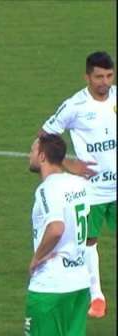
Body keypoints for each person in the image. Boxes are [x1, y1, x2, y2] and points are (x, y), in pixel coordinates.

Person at [24, 134, 92, 336]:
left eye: (32, 150)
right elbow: (86, 230)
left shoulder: (46, 190)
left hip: (50, 282)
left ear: (41, 157)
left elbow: (56, 227)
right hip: (79, 279)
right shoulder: (79, 184)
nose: (29, 154)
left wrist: (36, 259)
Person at [39, 51, 116, 318]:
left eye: (108, 76)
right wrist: (69, 164)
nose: (104, 82)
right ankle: (97, 297)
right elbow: (45, 136)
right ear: (87, 77)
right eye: (98, 77)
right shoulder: (75, 106)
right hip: (93, 189)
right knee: (90, 241)